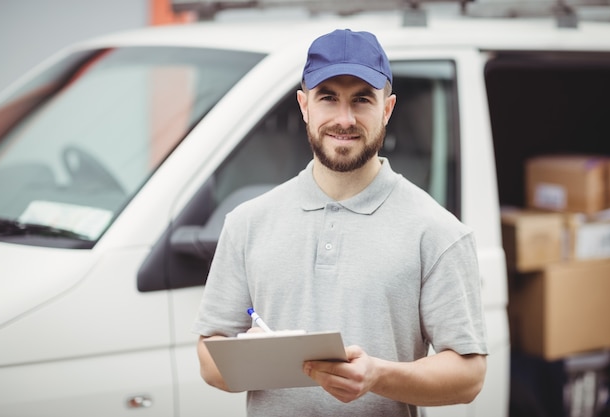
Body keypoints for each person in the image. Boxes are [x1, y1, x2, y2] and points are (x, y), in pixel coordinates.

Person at [192, 28, 488, 417]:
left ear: (387, 108)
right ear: (304, 105)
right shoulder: (248, 223)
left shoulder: (438, 231)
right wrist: (252, 356)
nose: (344, 119)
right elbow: (208, 360)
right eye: (328, 98)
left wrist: (378, 376)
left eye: (362, 100)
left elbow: (469, 376)